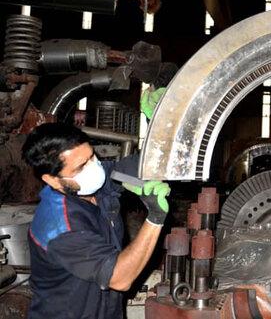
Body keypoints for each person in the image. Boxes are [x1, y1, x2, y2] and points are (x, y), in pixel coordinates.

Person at [22, 123, 170, 319]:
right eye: (81, 167)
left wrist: (163, 133)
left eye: (92, 156)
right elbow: (120, 278)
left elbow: (125, 168)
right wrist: (155, 218)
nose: (93, 167)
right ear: (52, 180)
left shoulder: (90, 185)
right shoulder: (60, 228)